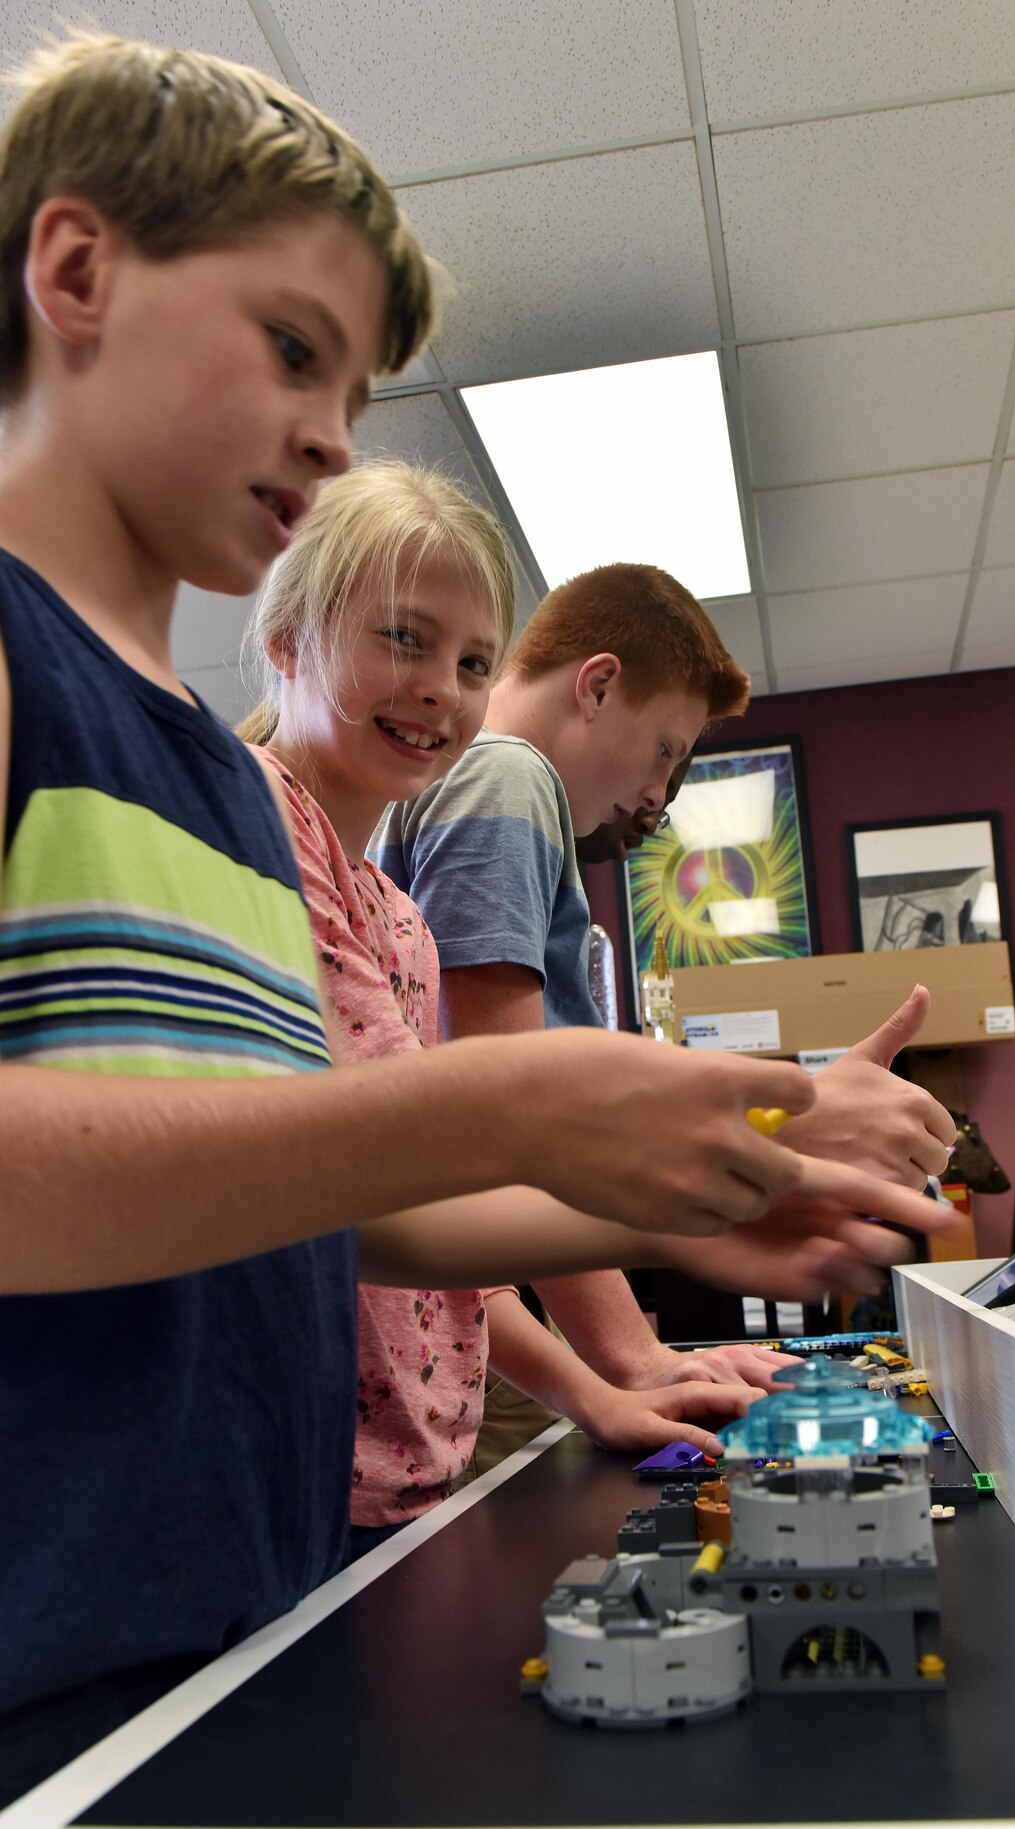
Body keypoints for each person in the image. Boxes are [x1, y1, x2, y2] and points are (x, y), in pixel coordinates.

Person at [0, 34, 943, 1800]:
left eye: (350, 387)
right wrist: (509, 1102)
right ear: (76, 273)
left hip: (236, 1609)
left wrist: (693, 1197)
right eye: (293, 348)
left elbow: (312, 1204)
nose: (325, 433)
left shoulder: (212, 782)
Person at [240, 460, 871, 1551]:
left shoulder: (390, 909)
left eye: (473, 659)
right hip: (299, 1464)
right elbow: (411, 1175)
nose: (442, 685)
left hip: (406, 1451)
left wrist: (598, 1389)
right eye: (403, 639)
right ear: (290, 639)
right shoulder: (259, 827)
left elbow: (441, 1199)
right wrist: (743, 1172)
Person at [373, 569, 957, 1461]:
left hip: (466, 1300)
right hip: (454, 1329)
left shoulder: (480, 788)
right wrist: (632, 1355)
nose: (658, 796)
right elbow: (517, 1114)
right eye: (664, 751)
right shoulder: (506, 775)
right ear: (598, 685)